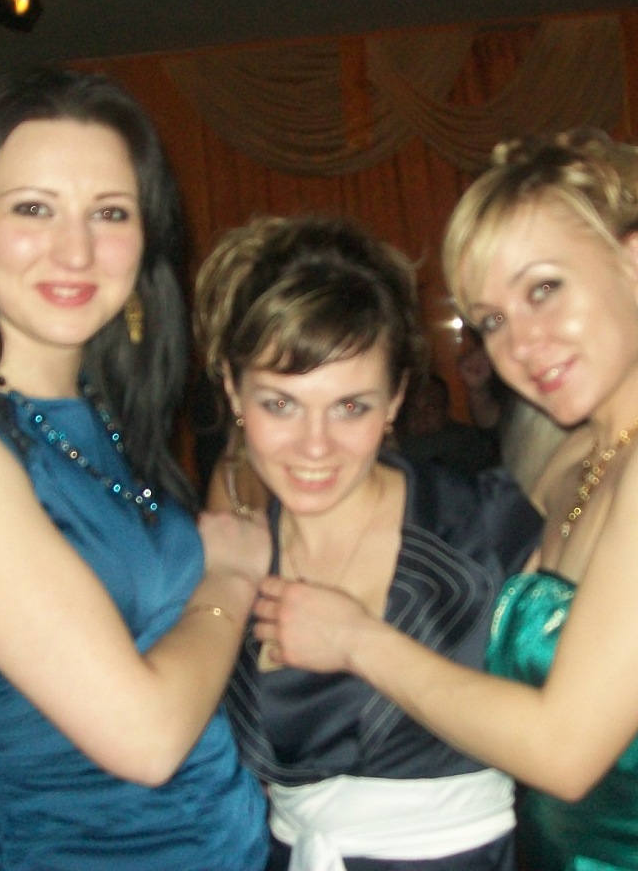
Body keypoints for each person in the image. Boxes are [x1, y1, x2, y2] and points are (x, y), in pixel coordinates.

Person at [252, 130, 638, 871]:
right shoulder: (583, 456)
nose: (520, 343)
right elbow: (622, 668)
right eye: (492, 320)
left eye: (544, 289)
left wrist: (358, 641)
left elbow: (563, 751)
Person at [0, 68, 269, 870]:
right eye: (32, 208)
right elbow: (145, 738)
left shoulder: (101, 419)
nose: (76, 250)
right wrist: (230, 580)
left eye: (109, 212)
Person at [193, 215, 545, 870]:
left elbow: (624, 718)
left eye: (350, 406)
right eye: (280, 404)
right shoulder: (224, 557)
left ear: (396, 398)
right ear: (233, 390)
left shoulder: (486, 528)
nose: (315, 446)